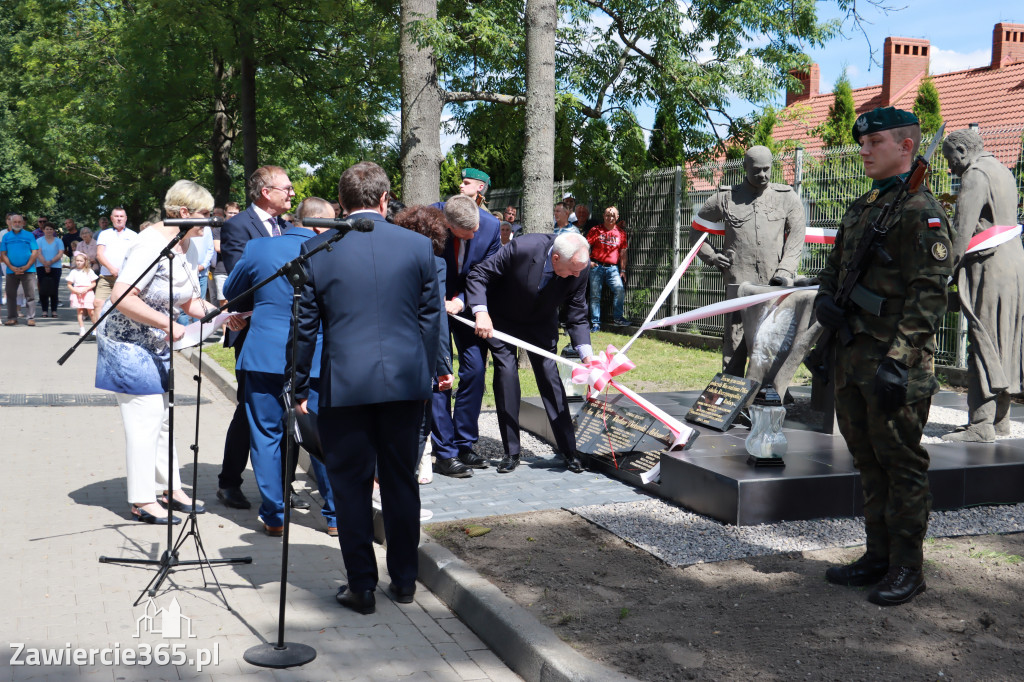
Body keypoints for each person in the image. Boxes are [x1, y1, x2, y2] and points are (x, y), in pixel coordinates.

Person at [815, 107, 954, 606]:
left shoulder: (922, 211)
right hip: (854, 355)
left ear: (907, 146)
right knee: (868, 463)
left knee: (901, 465)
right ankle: (877, 556)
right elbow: (834, 269)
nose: (865, 149)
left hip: (896, 363)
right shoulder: (864, 207)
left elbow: (929, 295)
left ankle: (907, 568)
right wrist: (824, 301)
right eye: (863, 143)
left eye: (876, 142)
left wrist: (900, 359)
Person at [290, 161, 440, 615]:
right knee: (401, 482)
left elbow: (304, 327)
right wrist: (425, 374)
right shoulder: (418, 246)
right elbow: (430, 320)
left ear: (341, 204)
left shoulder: (318, 248)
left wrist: (297, 385)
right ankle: (406, 581)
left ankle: (362, 586)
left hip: (345, 387)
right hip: (405, 385)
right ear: (383, 200)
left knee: (351, 487)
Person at [95, 179, 246, 524]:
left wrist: (220, 316)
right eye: (205, 214)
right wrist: (167, 324)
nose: (212, 220)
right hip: (127, 344)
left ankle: (170, 488)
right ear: (183, 213)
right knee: (144, 420)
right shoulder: (148, 245)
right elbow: (122, 296)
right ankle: (141, 498)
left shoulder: (189, 243)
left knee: (162, 418)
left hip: (156, 343)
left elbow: (188, 299)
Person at [222, 197, 337, 536]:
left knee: (266, 435)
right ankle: (334, 517)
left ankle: (273, 515)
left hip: (264, 355)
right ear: (319, 225)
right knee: (322, 435)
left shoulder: (259, 248)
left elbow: (233, 291)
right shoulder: (331, 249)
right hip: (315, 356)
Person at [466, 231, 594, 474]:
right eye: (573, 270)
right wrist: (480, 311)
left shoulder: (580, 266)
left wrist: (588, 357)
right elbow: (479, 273)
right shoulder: (522, 248)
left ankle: (569, 450)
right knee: (506, 375)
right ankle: (511, 452)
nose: (577, 275)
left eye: (580, 270)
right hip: (502, 318)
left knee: (550, 377)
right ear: (555, 258)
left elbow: (577, 313)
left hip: (541, 323)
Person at [216, 166, 295, 511]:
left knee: (289, 410)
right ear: (266, 191)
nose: (292, 193)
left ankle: (282, 487)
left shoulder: (291, 229)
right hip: (252, 332)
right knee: (251, 408)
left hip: (293, 333)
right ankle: (229, 482)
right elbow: (240, 281)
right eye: (286, 188)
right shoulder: (237, 226)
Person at [941, 128, 1024, 443]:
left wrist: (943, 274)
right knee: (1005, 341)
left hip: (990, 267)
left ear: (962, 151)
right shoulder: (1003, 170)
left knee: (983, 339)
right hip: (1014, 264)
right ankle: (1000, 420)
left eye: (950, 160)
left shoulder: (975, 175)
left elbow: (962, 235)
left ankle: (981, 424)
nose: (950, 168)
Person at [691, 145, 806, 372]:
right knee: (735, 340)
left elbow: (797, 236)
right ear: (744, 168)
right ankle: (732, 388)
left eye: (766, 169)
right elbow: (696, 230)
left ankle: (770, 389)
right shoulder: (726, 198)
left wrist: (785, 270)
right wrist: (712, 256)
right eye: (756, 170)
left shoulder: (787, 198)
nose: (762, 175)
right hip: (739, 282)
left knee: (774, 334)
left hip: (774, 282)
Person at [429, 194, 500, 478]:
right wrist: (438, 301)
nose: (474, 235)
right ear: (448, 225)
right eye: (466, 233)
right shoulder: (429, 221)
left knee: (475, 370)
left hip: (467, 305)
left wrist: (461, 301)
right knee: (441, 376)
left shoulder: (491, 226)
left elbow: (486, 272)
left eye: (476, 229)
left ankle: (464, 442)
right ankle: (444, 452)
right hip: (432, 304)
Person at [393, 205, 455, 485]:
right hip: (416, 354)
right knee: (418, 422)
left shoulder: (387, 257)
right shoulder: (435, 263)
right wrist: (443, 364)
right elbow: (436, 315)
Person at [586, 206, 629, 331]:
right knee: (595, 296)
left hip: (613, 268)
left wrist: (623, 270)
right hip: (596, 266)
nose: (610, 217)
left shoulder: (621, 233)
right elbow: (586, 246)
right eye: (607, 215)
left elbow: (623, 252)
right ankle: (595, 324)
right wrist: (588, 262)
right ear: (603, 216)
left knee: (619, 290)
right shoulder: (596, 230)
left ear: (617, 217)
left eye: (613, 215)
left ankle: (618, 318)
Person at [95, 207, 139, 317]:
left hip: (125, 278)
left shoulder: (134, 235)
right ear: (111, 218)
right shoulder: (104, 234)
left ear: (125, 218)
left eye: (121, 216)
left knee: (124, 307)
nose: (119, 219)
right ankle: (97, 332)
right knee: (97, 304)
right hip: (106, 277)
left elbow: (137, 256)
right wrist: (111, 268)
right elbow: (99, 254)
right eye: (116, 216)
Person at [1, 213, 38, 326]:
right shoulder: (6, 236)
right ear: (11, 223)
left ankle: (30, 318)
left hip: (28, 270)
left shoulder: (29, 235)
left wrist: (27, 266)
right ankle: (12, 318)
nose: (17, 224)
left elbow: (35, 252)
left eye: (19, 222)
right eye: (14, 222)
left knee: (30, 295)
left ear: (23, 223)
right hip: (11, 270)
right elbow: (3, 254)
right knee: (11, 295)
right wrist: (11, 267)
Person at [35, 223, 65, 318]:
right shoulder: (39, 241)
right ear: (43, 230)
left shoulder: (58, 241)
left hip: (55, 267)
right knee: (43, 289)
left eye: (51, 229)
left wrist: (50, 262)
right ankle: (44, 310)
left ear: (53, 230)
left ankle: (54, 310)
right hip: (41, 267)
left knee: (54, 289)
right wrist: (45, 264)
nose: (49, 231)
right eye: (47, 229)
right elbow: (38, 253)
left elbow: (60, 253)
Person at [67, 253, 98, 335]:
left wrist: (87, 289)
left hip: (87, 292)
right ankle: (82, 328)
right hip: (77, 292)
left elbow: (93, 283)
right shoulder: (74, 271)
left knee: (91, 311)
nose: (79, 262)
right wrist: (75, 291)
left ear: (85, 261)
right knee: (80, 311)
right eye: (77, 260)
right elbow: (69, 284)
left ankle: (95, 329)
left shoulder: (89, 271)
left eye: (81, 261)